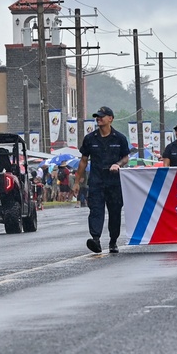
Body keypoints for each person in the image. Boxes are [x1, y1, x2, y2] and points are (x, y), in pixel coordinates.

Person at [76, 105, 130, 254]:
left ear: (110, 119)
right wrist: (76, 181)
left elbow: (125, 157)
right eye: (97, 116)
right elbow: (83, 161)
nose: (98, 118)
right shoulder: (89, 138)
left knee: (114, 212)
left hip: (114, 182)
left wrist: (118, 164)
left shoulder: (119, 138)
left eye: (101, 116)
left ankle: (113, 241)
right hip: (96, 181)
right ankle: (96, 239)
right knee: (96, 211)